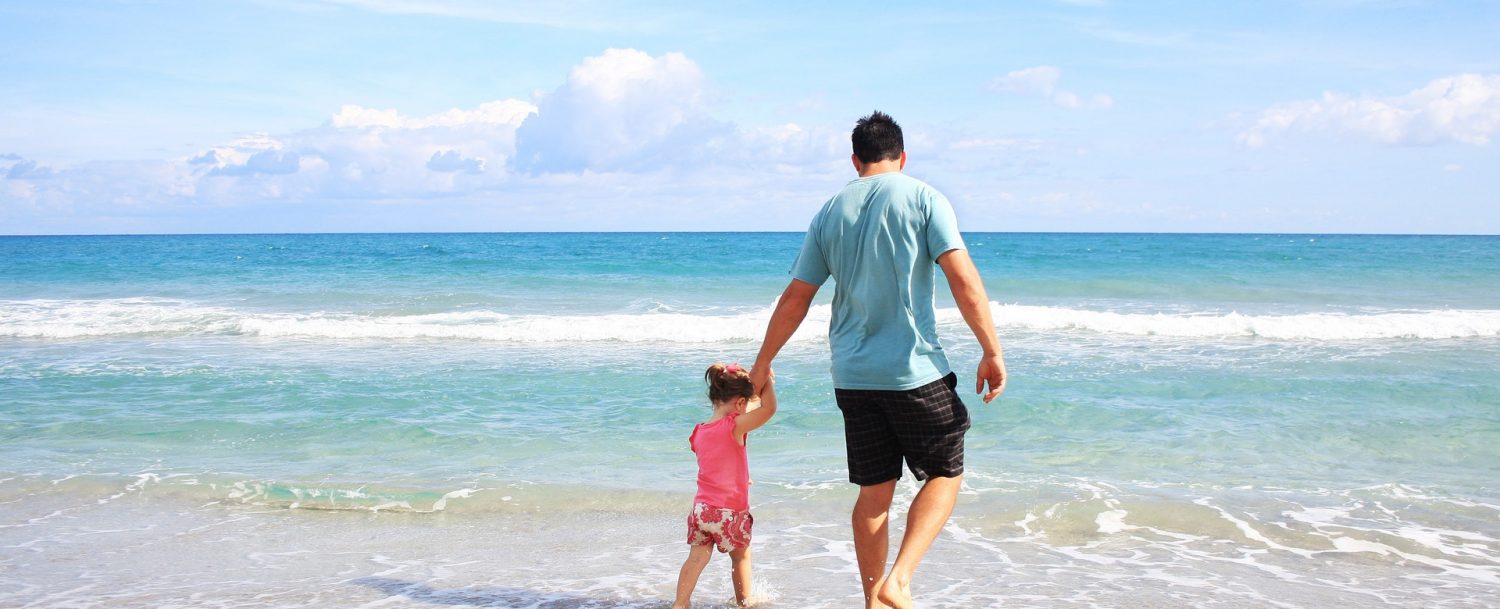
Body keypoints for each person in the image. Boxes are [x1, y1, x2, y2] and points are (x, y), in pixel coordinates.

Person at [749, 111, 1006, 609]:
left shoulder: (829, 211)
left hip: (852, 375)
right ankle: (899, 581)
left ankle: (873, 601)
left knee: (873, 492)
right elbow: (963, 278)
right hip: (913, 371)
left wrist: (762, 363)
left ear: (855, 159)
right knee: (945, 473)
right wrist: (991, 349)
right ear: (902, 156)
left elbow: (796, 297)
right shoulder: (924, 197)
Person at [672, 362, 778, 609]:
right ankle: (743, 603)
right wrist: (767, 381)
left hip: (701, 511)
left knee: (697, 557)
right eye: (744, 404)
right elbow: (769, 408)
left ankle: (680, 603)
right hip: (729, 511)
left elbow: (717, 462)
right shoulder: (734, 426)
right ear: (740, 404)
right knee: (741, 557)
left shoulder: (698, 432)